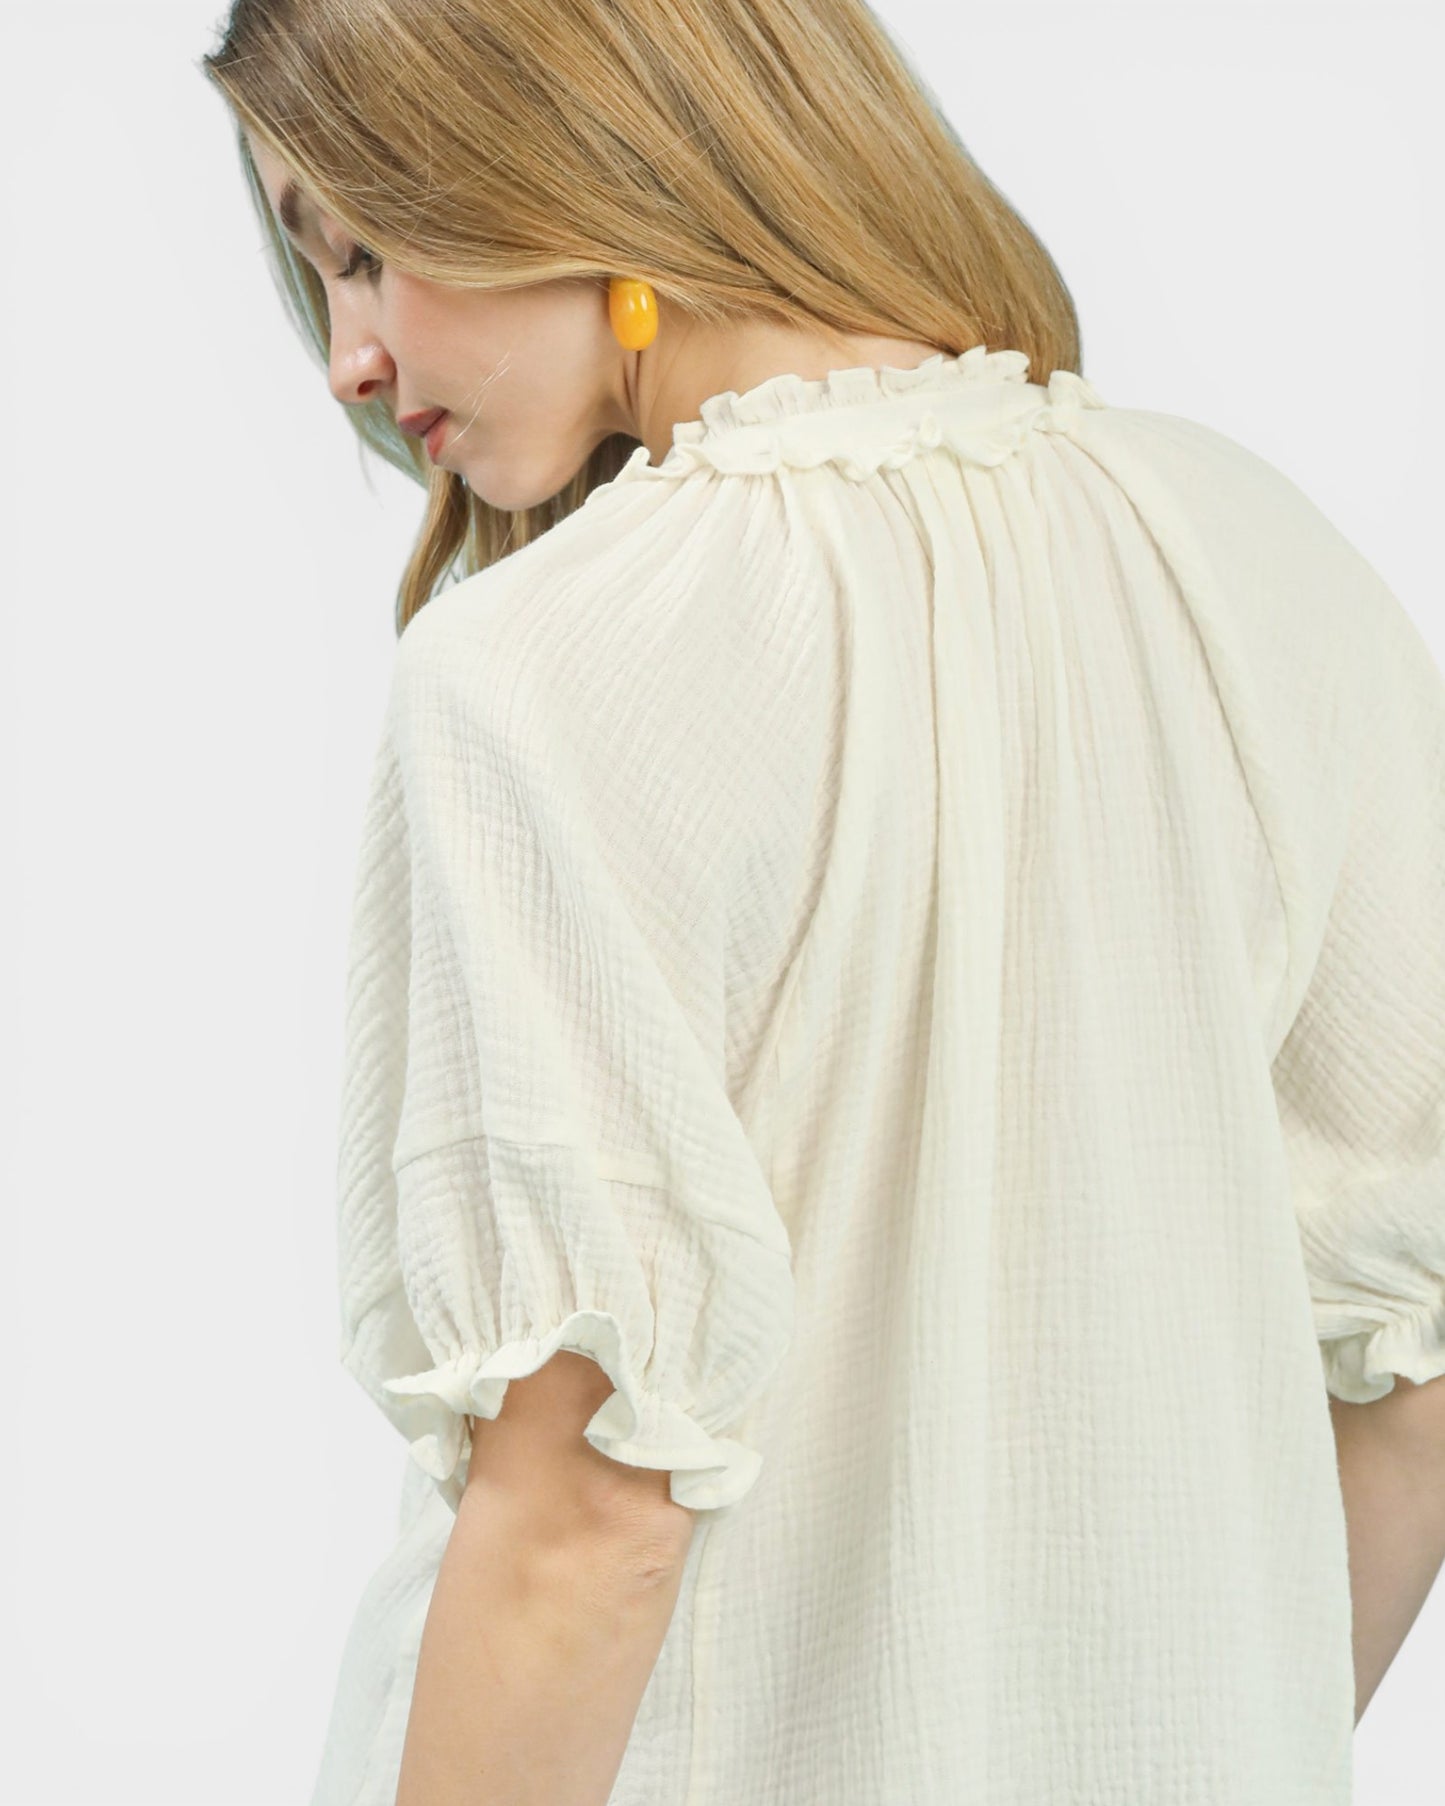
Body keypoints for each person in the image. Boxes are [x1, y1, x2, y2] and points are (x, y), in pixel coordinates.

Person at [201, 3, 1445, 1803]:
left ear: (570, 152)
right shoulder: (1259, 558)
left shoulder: (544, 669)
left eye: (372, 251)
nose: (349, 356)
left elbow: (582, 1520)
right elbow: (1410, 1369)